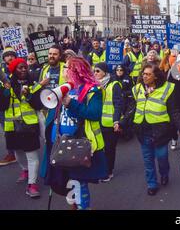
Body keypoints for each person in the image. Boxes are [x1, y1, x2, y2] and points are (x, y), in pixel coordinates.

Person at [41, 57, 108, 210]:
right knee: (65, 180)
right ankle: (74, 206)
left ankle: (83, 207)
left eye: (67, 68)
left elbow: (94, 113)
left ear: (77, 71)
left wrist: (71, 103)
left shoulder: (93, 90)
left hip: (79, 143)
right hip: (59, 143)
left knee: (79, 181)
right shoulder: (64, 88)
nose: (63, 71)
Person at [122, 63, 180, 196]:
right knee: (148, 160)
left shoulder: (167, 89)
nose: (145, 76)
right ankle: (152, 184)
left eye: (148, 74)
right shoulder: (137, 89)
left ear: (155, 77)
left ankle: (164, 173)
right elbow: (131, 108)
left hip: (160, 132)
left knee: (162, 157)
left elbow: (174, 111)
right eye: (143, 74)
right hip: (142, 131)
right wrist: (121, 122)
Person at [0, 58, 45, 198]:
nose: (24, 70)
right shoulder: (6, 84)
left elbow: (39, 105)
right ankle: (24, 169)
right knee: (18, 153)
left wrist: (30, 95)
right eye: (20, 68)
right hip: (12, 126)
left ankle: (32, 184)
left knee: (32, 156)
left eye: (25, 67)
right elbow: (2, 106)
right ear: (14, 70)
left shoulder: (33, 83)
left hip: (29, 125)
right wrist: (6, 93)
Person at [94, 62, 123, 181]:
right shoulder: (94, 85)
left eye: (97, 71)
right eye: (94, 71)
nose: (95, 73)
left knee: (109, 149)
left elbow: (118, 104)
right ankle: (101, 169)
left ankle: (108, 171)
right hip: (97, 122)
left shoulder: (114, 84)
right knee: (99, 147)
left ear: (105, 72)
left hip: (110, 123)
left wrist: (116, 121)